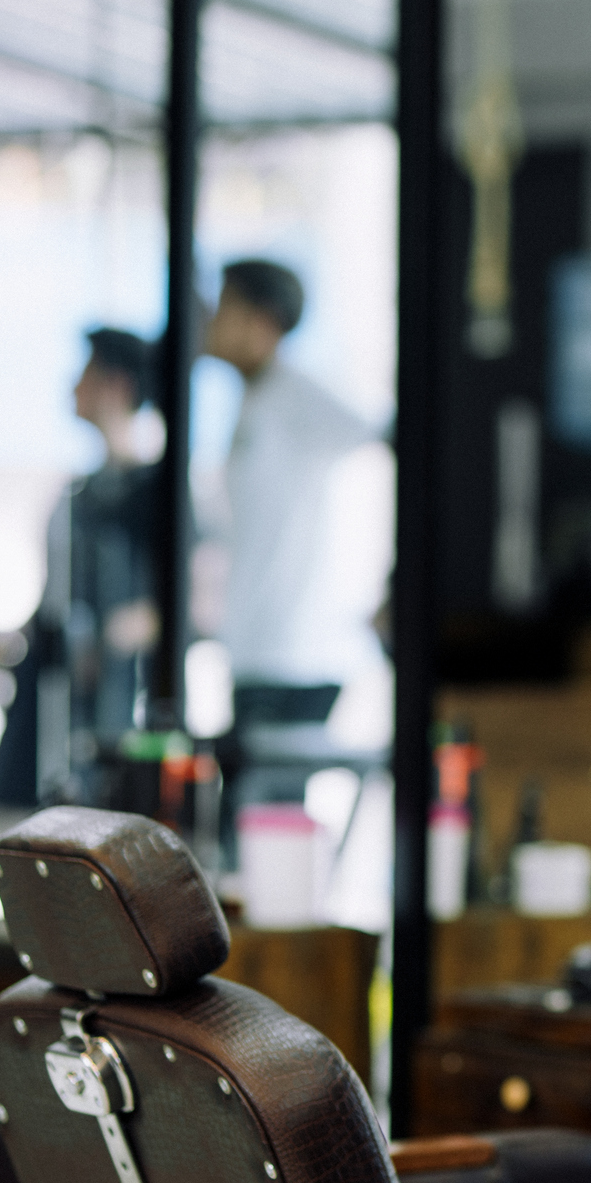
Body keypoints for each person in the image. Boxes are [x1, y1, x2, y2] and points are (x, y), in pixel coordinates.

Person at [205, 260, 380, 787]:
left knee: (265, 828)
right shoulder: (254, 399)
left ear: (262, 322)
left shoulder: (296, 392)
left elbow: (381, 432)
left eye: (225, 308)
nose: (212, 321)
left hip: (295, 655)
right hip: (257, 651)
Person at [0, 328, 161, 824]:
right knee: (19, 823)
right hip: (47, 700)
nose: (73, 386)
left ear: (116, 385)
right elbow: (57, 594)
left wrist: (123, 632)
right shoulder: (78, 494)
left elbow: (191, 601)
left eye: (86, 374)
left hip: (110, 708)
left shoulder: (154, 491)